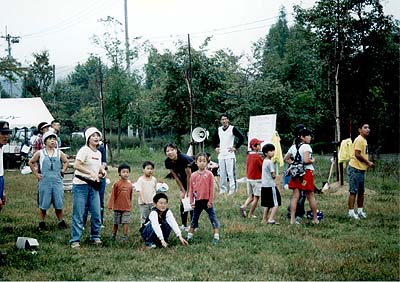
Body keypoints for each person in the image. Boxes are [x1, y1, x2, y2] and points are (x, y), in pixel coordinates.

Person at [70, 127, 106, 249]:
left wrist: (102, 171)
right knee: (79, 213)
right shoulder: (84, 150)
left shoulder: (99, 152)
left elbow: (98, 165)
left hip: (94, 186)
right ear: (88, 138)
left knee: (96, 212)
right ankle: (75, 240)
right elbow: (76, 165)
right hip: (81, 185)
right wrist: (90, 173)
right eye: (93, 136)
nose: (96, 138)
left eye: (98, 135)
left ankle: (95, 236)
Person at [28, 131, 69, 230]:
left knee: (58, 203)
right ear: (45, 141)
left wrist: (63, 170)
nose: (52, 141)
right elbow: (31, 162)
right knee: (44, 204)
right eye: (50, 139)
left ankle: (61, 222)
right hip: (45, 182)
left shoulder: (59, 152)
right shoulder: (40, 153)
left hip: (57, 181)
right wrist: (36, 174)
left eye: (54, 139)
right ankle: (41, 223)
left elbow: (66, 161)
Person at [284, 128, 319, 225]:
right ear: (302, 137)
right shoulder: (306, 147)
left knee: (295, 196)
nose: (310, 138)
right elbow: (306, 160)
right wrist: (313, 160)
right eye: (308, 136)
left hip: (296, 173)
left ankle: (292, 219)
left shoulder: (293, 147)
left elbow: (286, 158)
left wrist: (294, 164)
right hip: (306, 173)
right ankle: (315, 218)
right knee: (310, 196)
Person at [186, 153, 220, 244]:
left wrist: (210, 201)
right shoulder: (193, 175)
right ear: (196, 162)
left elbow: (211, 189)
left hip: (207, 201)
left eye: (204, 161)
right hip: (197, 201)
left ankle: (216, 236)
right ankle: (189, 236)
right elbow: (191, 189)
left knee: (212, 217)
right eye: (200, 161)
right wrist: (191, 201)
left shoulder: (209, 174)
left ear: (207, 162)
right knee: (194, 218)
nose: (202, 163)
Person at [164, 143, 195, 231]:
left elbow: (189, 175)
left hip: (195, 177)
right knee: (182, 199)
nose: (170, 152)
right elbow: (176, 177)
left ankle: (193, 226)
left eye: (172, 150)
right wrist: (183, 190)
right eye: (167, 151)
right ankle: (184, 225)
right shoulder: (168, 162)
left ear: (176, 150)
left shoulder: (184, 158)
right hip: (182, 178)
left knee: (191, 200)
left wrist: (189, 191)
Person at [212, 112, 245, 195]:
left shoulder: (232, 128)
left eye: (225, 119)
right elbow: (214, 139)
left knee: (230, 173)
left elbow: (241, 138)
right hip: (221, 155)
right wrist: (215, 147)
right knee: (222, 173)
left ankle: (233, 189)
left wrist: (235, 147)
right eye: (222, 119)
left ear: (228, 120)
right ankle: (223, 189)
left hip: (229, 154)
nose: (224, 121)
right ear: (220, 121)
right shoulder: (219, 129)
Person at [347, 123, 374, 219]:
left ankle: (360, 211)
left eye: (368, 127)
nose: (368, 129)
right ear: (360, 130)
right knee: (353, 191)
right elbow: (357, 154)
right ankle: (351, 212)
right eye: (365, 127)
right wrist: (368, 162)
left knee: (361, 191)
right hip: (355, 168)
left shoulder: (364, 140)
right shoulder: (359, 140)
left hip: (361, 169)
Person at [240, 138, 263, 219]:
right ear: (254, 146)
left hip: (249, 178)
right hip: (257, 180)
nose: (260, 146)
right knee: (256, 197)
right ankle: (250, 214)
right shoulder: (258, 157)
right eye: (259, 144)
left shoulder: (249, 156)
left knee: (251, 196)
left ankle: (244, 206)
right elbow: (262, 167)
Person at [108, 163, 133, 241]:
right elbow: (113, 195)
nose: (125, 174)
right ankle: (114, 235)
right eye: (123, 172)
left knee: (125, 222)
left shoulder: (130, 185)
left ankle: (125, 236)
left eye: (127, 172)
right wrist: (110, 205)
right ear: (119, 173)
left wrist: (130, 204)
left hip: (126, 208)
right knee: (116, 222)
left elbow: (130, 196)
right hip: (117, 207)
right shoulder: (116, 184)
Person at [261, 143, 281, 224]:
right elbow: (273, 175)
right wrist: (276, 176)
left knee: (267, 204)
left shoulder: (264, 161)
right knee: (276, 203)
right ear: (266, 153)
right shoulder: (270, 162)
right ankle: (271, 219)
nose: (273, 152)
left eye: (273, 150)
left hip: (264, 185)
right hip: (270, 185)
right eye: (271, 151)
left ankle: (264, 219)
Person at [0, 121, 11, 212]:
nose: (6, 136)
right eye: (3, 133)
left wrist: (2, 190)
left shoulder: (2, 147)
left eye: (7, 133)